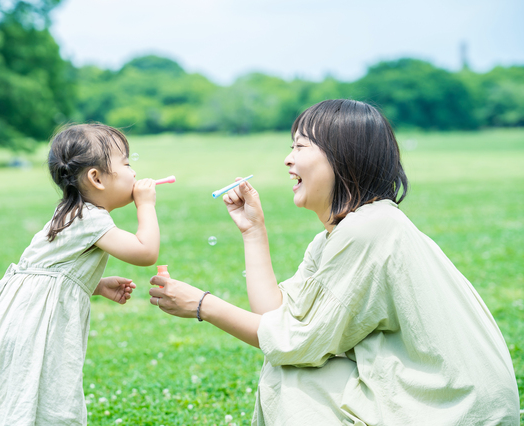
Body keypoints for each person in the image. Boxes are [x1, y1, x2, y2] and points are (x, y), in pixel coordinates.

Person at [149, 100, 520, 425]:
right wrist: (253, 231)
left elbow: (292, 344)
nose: (287, 158)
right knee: (293, 366)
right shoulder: (344, 232)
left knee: (291, 376)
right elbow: (276, 316)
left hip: (454, 410)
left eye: (300, 146)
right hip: (445, 400)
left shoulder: (370, 230)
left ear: (343, 158)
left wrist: (203, 305)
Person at [0, 123, 160, 425]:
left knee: (21, 392)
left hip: (20, 317)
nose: (134, 173)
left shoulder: (68, 213)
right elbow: (145, 251)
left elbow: (50, 272)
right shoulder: (91, 219)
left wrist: (94, 285)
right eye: (126, 164)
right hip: (38, 326)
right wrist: (146, 205)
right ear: (95, 178)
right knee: (50, 392)